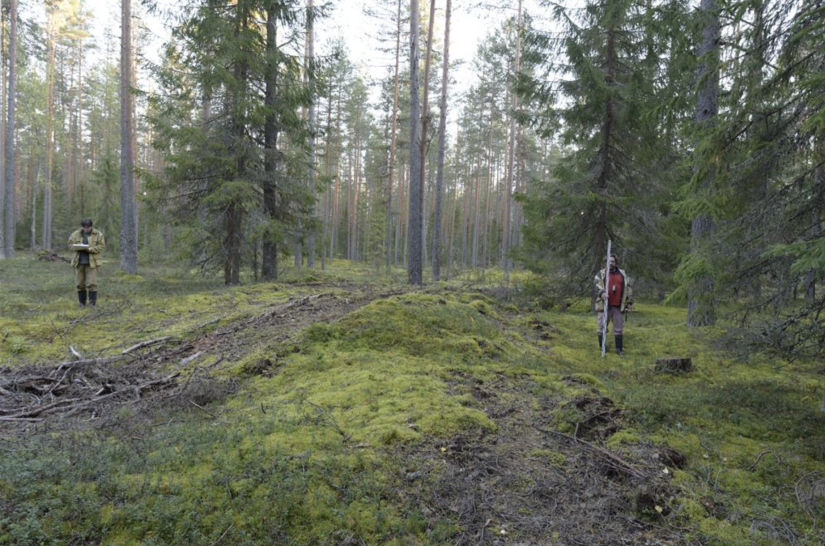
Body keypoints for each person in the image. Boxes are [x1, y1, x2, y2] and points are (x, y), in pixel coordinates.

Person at [594, 254, 632, 355]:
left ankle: (619, 349)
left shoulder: (622, 274)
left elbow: (628, 289)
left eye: (613, 261)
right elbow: (596, 284)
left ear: (615, 262)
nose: (611, 263)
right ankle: (602, 348)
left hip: (618, 306)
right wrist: (601, 293)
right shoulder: (601, 273)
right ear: (606, 262)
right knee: (601, 327)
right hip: (604, 306)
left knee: (618, 329)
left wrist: (629, 304)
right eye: (609, 261)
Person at [68, 218, 106, 306]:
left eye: (88, 227)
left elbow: (102, 246)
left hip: (92, 263)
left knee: (92, 283)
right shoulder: (75, 234)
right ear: (82, 226)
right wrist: (76, 247)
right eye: (84, 227)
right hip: (78, 262)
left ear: (91, 226)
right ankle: (82, 304)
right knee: (79, 284)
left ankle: (92, 304)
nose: (86, 229)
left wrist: (92, 249)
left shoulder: (98, 234)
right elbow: (70, 245)